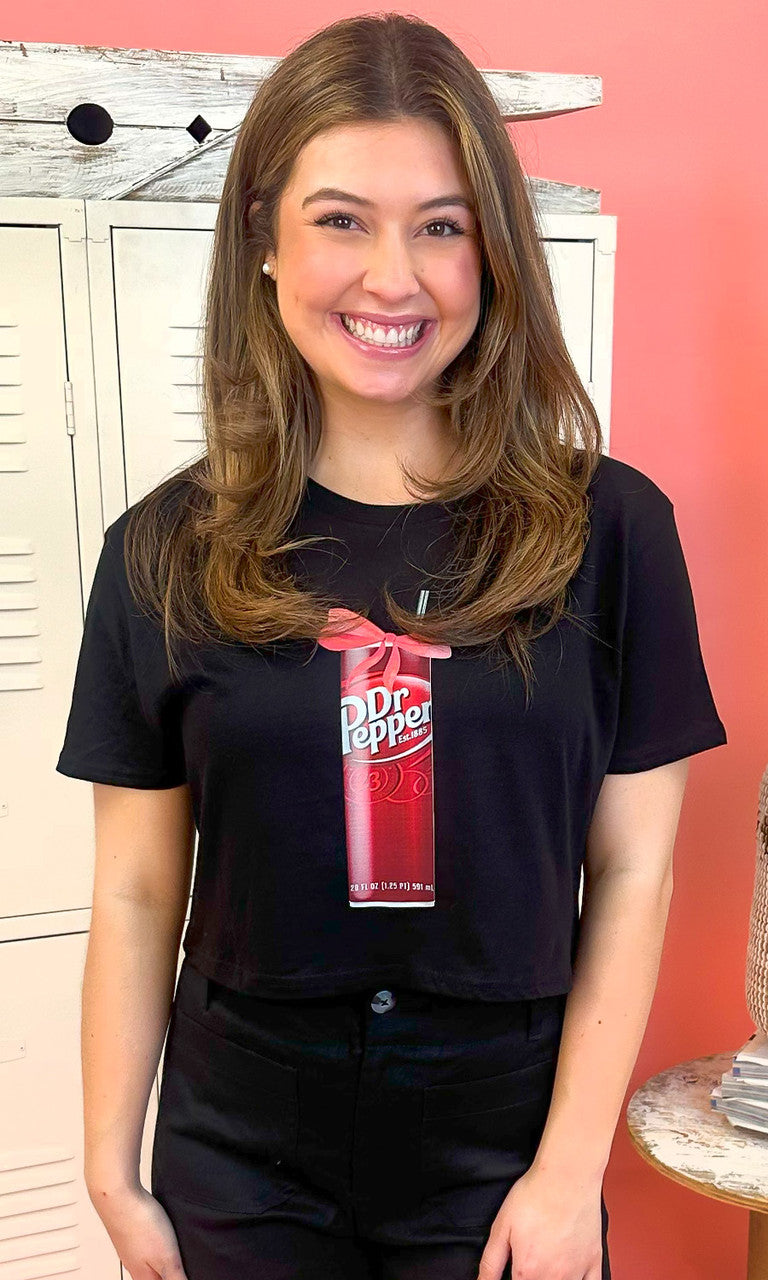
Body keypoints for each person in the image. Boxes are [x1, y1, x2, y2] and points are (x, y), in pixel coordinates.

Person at [56, 13, 728, 1280]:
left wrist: (566, 1174)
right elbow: (139, 887)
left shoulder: (611, 529)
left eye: (441, 225)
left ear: (494, 250)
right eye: (341, 219)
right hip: (240, 1145)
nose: (392, 277)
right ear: (264, 239)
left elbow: (635, 869)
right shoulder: (160, 549)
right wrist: (108, 1163)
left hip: (502, 1139)